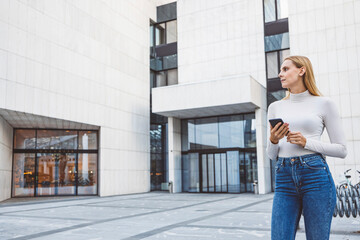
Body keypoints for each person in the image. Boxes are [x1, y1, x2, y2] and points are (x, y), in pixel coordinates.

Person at [267, 55, 347, 240]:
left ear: (302, 70)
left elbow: (342, 150)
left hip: (315, 176)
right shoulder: (275, 106)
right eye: (280, 70)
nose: (280, 74)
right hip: (284, 177)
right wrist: (273, 140)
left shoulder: (324, 104)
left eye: (285, 69)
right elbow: (272, 156)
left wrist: (306, 142)